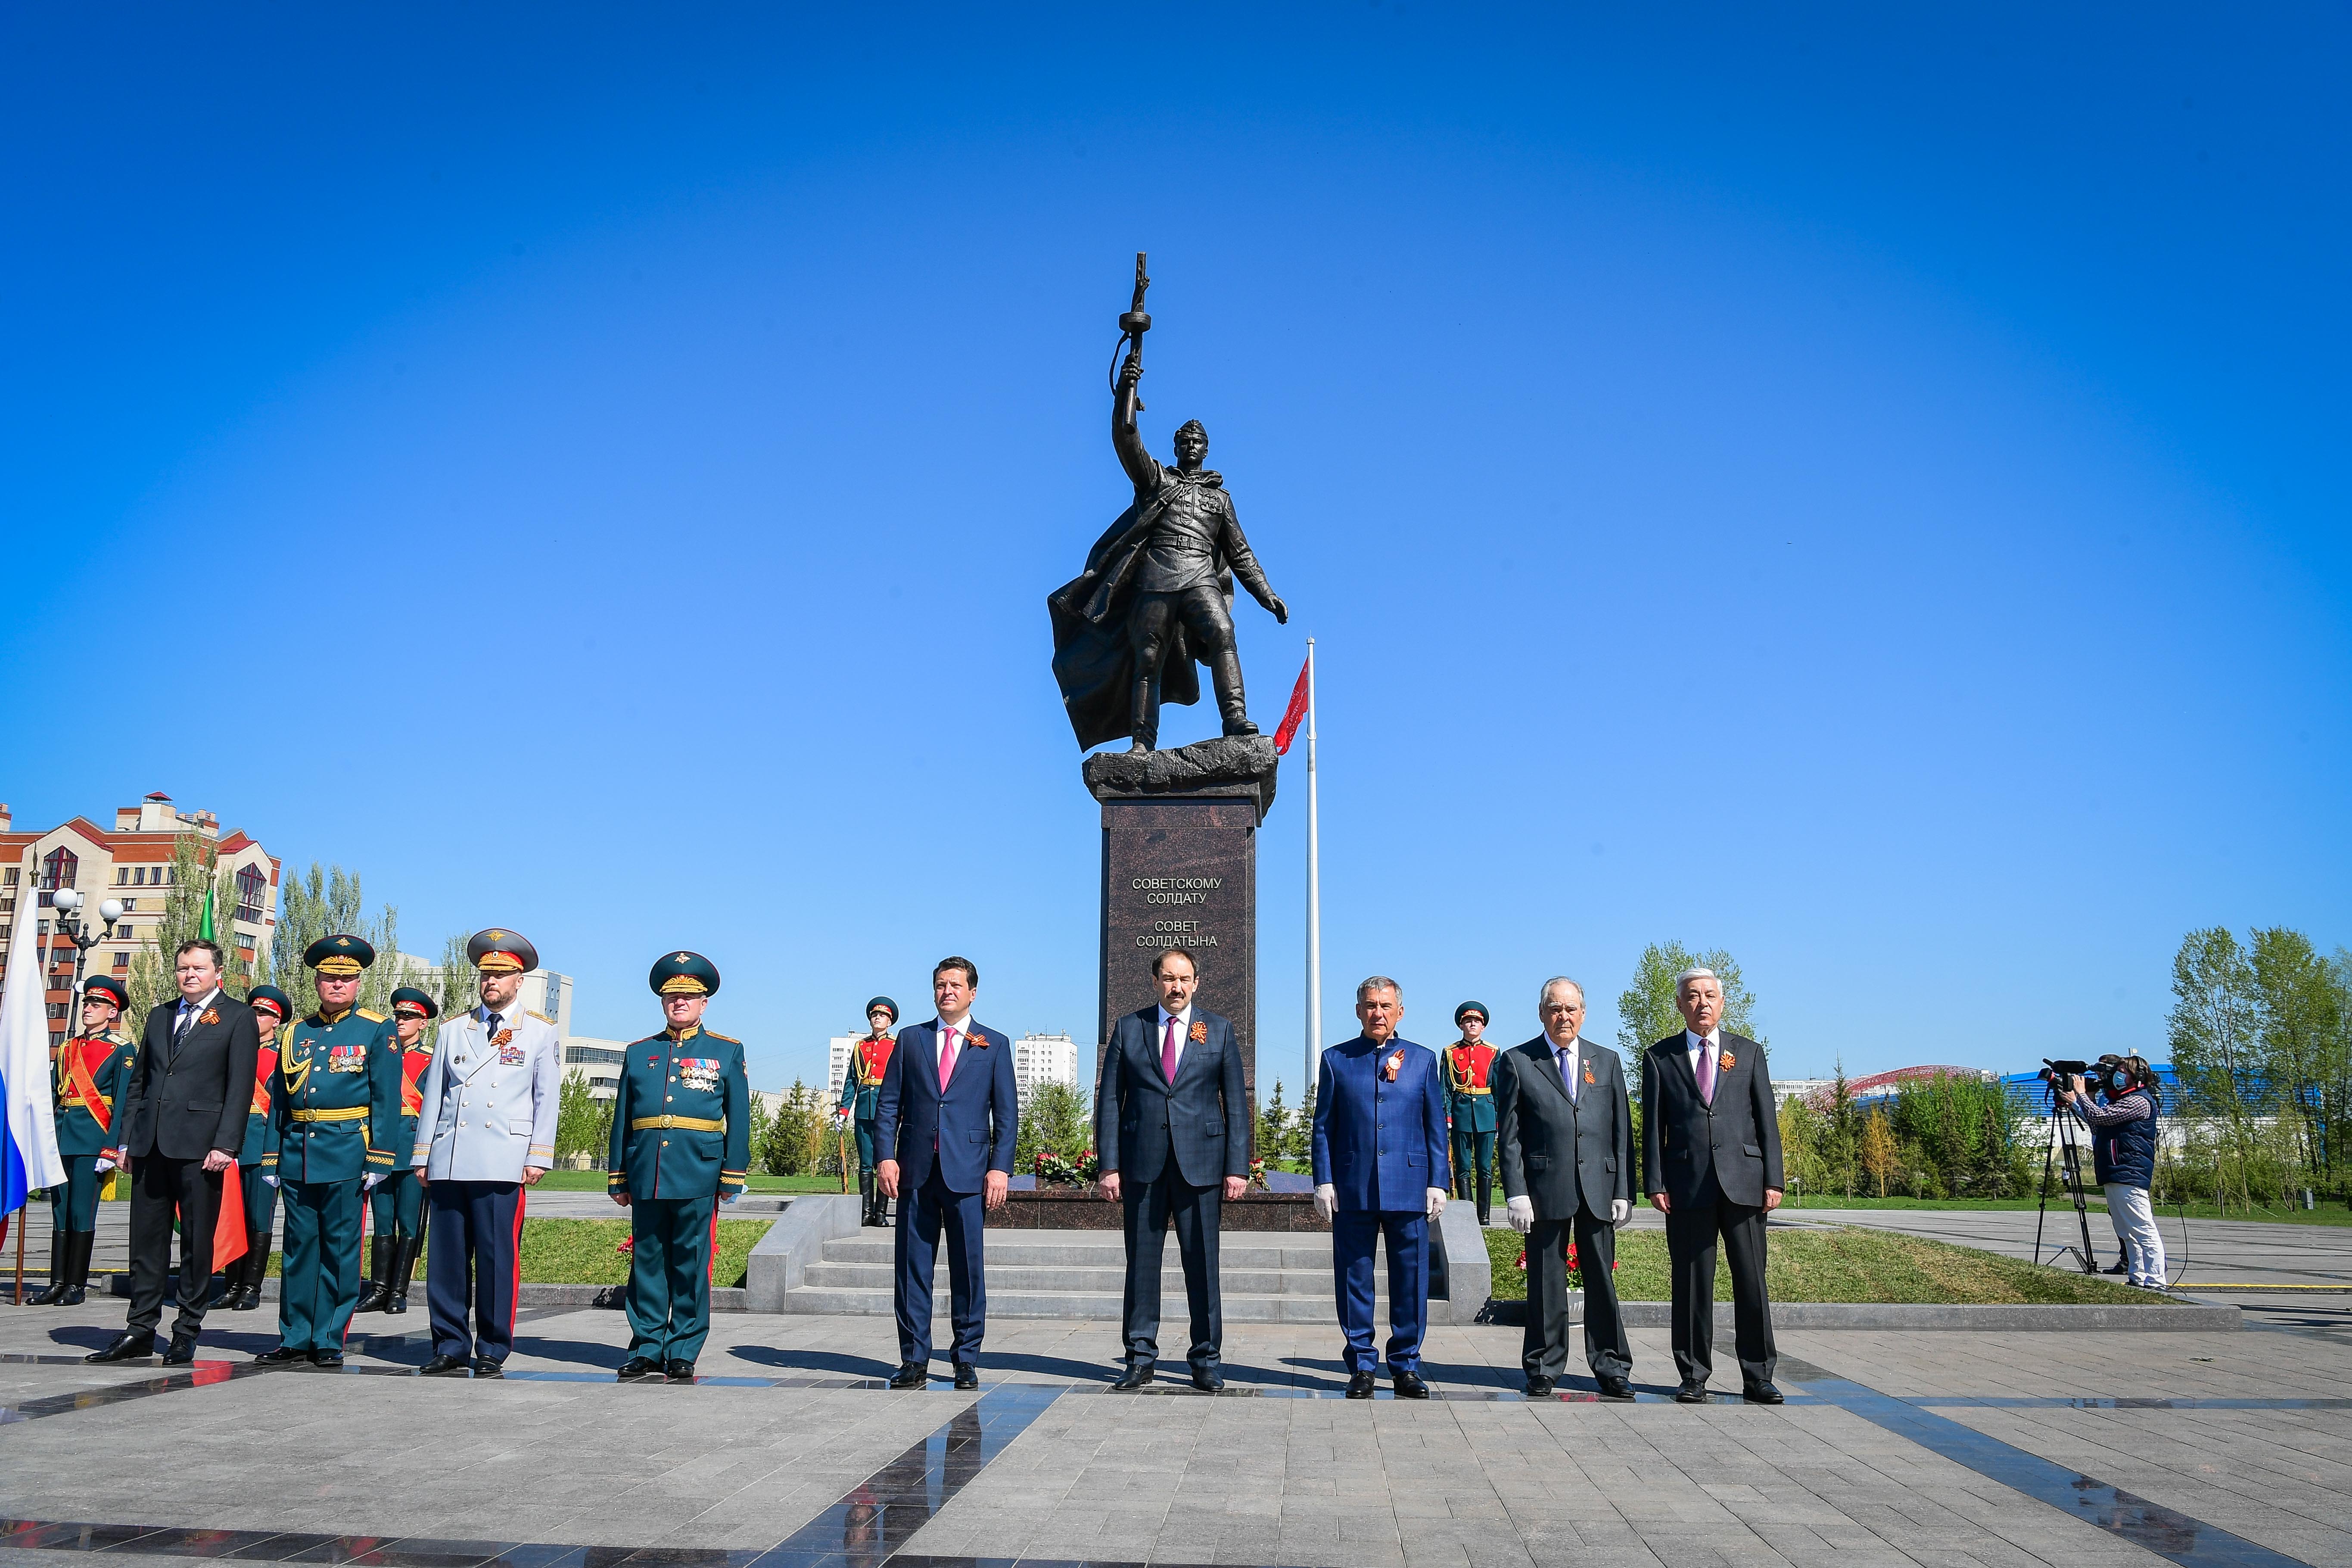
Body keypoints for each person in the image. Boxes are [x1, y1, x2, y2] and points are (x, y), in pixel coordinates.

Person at [1045, 344, 1290, 752]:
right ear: (1176, 446)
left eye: (1199, 441)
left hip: (1200, 577)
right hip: (1156, 578)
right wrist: (1127, 390)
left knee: (1222, 632)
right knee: (1148, 660)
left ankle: (1235, 721)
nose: (1192, 446)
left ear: (1206, 450)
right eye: (1185, 440)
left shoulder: (1220, 500)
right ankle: (1143, 744)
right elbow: (1126, 440)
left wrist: (1268, 596)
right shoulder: (1158, 482)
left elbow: (1241, 554)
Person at [88, 939, 260, 1366]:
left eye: (198, 968)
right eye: (183, 968)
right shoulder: (161, 1014)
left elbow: (240, 1088)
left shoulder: (238, 1017)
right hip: (149, 1144)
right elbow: (140, 1083)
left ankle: (185, 1331)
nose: (190, 975)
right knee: (145, 1243)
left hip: (201, 1149)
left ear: (217, 972)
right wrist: (124, 1140)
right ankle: (140, 1328)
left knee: (196, 1244)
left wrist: (226, 1143)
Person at [1094, 946, 1250, 1391]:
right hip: (1142, 1166)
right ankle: (1140, 1357)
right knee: (1142, 1265)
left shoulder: (1218, 1030)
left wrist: (1236, 1168)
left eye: (1184, 978)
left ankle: (1206, 1359)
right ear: (1155, 982)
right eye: (1168, 978)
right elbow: (1109, 1101)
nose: (1176, 986)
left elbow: (1235, 1104)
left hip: (1201, 1166)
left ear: (1196, 983)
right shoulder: (1130, 1027)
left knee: (1203, 1266)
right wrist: (1109, 1166)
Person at [409, 928, 561, 1378]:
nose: (491, 981)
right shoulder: (455, 1030)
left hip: (503, 1159)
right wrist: (422, 1156)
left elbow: (545, 1099)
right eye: (486, 973)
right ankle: (451, 1343)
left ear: (520, 980)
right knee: (447, 1261)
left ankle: (492, 1346)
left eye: (501, 974)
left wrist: (539, 1155)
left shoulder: (537, 1032)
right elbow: (434, 1095)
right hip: (452, 1158)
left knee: (497, 1260)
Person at [253, 935, 403, 1369]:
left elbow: (386, 1099)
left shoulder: (376, 1029)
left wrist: (380, 1157)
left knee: (339, 1250)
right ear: (317, 981)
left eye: (346, 979)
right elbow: (280, 1099)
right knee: (300, 1248)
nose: (337, 985)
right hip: (299, 1151)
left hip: (347, 1151)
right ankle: (295, 1336)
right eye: (329, 978)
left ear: (358, 983)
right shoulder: (298, 1031)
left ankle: (329, 1336)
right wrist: (271, 1156)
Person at [874, 956, 1018, 1391]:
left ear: (973, 992)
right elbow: (888, 1105)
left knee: (968, 1270)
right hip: (916, 1172)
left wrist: (1000, 1167)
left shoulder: (993, 1043)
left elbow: (1007, 1115)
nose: (947, 991)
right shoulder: (911, 1039)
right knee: (912, 1269)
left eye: (956, 985)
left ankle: (965, 1358)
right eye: (940, 984)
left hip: (969, 1175)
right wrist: (886, 1155)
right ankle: (914, 1358)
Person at [1643, 968, 1784, 1405]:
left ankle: (1758, 1375)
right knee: (1691, 1284)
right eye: (1692, 996)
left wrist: (1773, 1178)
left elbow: (1766, 1121)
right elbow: (1652, 1128)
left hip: (1745, 1184)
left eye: (1710, 995)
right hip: (1686, 1187)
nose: (1702, 1003)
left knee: (1751, 1283)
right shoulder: (1659, 1057)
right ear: (1681, 1004)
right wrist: (1654, 1181)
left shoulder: (1749, 1052)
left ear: (1722, 1003)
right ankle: (1693, 1375)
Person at [609, 951, 751, 1382]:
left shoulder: (725, 1052)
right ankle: (648, 1346)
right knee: (648, 1262)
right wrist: (618, 1174)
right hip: (647, 1169)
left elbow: (740, 1115)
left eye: (689, 996)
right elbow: (622, 1117)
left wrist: (733, 1173)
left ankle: (684, 1347)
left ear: (704, 1002)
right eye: (672, 996)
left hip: (698, 1170)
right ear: (662, 1001)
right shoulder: (639, 1053)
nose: (680, 1002)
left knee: (690, 1263)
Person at [1310, 976, 1450, 1399]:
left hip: (1410, 1186)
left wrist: (1438, 1183)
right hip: (1353, 1188)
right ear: (1358, 1011)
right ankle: (1362, 1365)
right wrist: (1324, 1180)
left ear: (1400, 1012)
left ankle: (1406, 1365)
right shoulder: (1337, 1059)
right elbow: (1323, 1127)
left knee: (1410, 1280)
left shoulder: (1424, 1060)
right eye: (1370, 1005)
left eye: (1386, 1005)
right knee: (1355, 1279)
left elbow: (1434, 1127)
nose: (1378, 1013)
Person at [1493, 978, 1634, 1398]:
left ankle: (1611, 1366)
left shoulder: (1606, 1061)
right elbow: (1510, 1135)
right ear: (1542, 1013)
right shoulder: (1518, 1061)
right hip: (1543, 1189)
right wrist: (1515, 1191)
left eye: (1571, 1009)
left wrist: (1624, 1189)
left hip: (1599, 1186)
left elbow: (1621, 1130)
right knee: (1545, 1283)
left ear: (1584, 1013)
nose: (1564, 1016)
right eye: (1555, 1008)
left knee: (1602, 1283)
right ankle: (1543, 1365)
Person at [29, 976, 136, 1307]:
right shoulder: (67, 1048)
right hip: (61, 1138)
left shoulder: (121, 1050)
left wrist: (114, 1146)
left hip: (93, 1140)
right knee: (59, 1212)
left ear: (111, 1012)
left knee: (80, 1212)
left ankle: (76, 1284)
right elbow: (51, 1094)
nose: (88, 1009)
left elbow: (122, 1102)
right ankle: (57, 1282)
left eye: (96, 1005)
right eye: (87, 1003)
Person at [355, 986, 437, 1315]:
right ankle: (378, 1289)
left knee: (408, 1222)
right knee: (383, 1221)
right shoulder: (379, 1056)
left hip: (411, 1149)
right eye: (399, 1015)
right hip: (379, 1148)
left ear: (423, 1023)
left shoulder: (429, 1061)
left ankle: (399, 1291)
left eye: (409, 1016)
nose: (401, 1021)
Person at [2062, 1055, 2167, 1289]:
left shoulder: (2139, 1101)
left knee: (2142, 1228)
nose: (2118, 1075)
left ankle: (2157, 1279)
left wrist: (2080, 1093)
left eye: (2123, 1071)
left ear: (2138, 1077)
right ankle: (2138, 1275)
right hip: (2115, 1171)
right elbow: (2099, 1125)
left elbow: (2100, 1116)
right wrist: (2086, 1100)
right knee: (2125, 1229)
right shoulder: (2121, 1101)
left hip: (2129, 1172)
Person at [221, 984, 291, 1312]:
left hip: (263, 1148)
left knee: (258, 1218)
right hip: (228, 1148)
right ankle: (231, 1284)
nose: (256, 1016)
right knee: (231, 1217)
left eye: (264, 1013)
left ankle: (251, 1287)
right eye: (253, 1010)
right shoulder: (231, 1051)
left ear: (276, 1021)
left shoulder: (281, 1057)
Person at [835, 997, 898, 1228]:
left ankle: (881, 1213)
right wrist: (844, 1110)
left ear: (890, 1022)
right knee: (865, 1164)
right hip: (863, 1108)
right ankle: (866, 1212)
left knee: (884, 1162)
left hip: (887, 1110)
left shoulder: (895, 1046)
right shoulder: (860, 1047)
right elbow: (852, 1080)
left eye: (882, 1016)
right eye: (874, 1015)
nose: (877, 1018)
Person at [1443, 1002, 1499, 1225]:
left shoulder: (1493, 1052)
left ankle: (1484, 1217)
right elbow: (1445, 1088)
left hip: (1486, 1113)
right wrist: (1446, 1117)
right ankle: (1467, 1217)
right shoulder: (1450, 1053)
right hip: (1461, 1114)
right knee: (1463, 1167)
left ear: (1483, 1026)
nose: (1472, 1024)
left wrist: (1501, 1119)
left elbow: (1499, 1089)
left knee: (1485, 1168)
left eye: (1477, 1021)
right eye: (1468, 1021)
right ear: (1461, 1025)